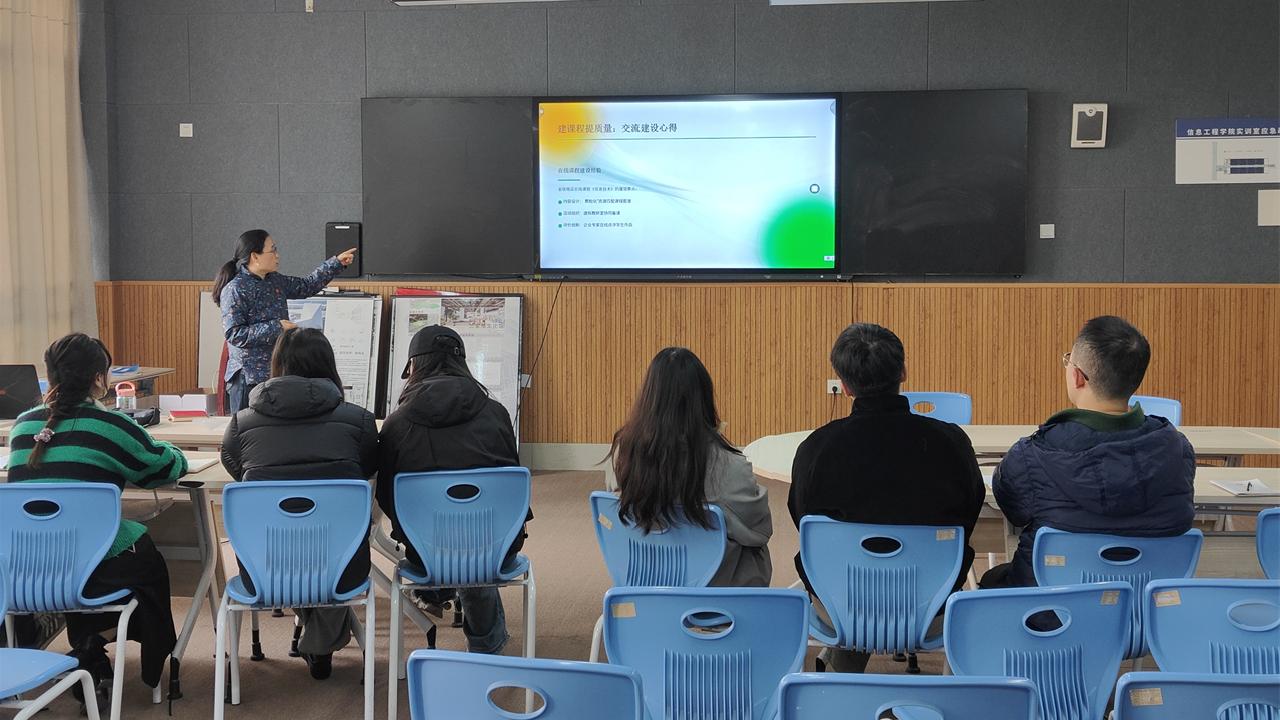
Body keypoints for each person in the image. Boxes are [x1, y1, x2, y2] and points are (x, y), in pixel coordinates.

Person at [788, 323, 985, 673]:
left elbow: (802, 519)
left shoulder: (816, 449)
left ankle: (840, 674)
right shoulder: (951, 443)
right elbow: (969, 515)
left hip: (841, 605)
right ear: (903, 372)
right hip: (931, 607)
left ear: (844, 386)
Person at [5, 333, 187, 699]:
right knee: (144, 560)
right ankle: (99, 641)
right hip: (93, 569)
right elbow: (163, 469)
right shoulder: (111, 425)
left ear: (50, 375)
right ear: (99, 378)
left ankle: (86, 642)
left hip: (29, 569)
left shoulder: (22, 426)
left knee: (99, 547)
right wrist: (171, 448)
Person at [981, 316, 1195, 589]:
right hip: (1144, 604)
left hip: (1050, 606)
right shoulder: (1178, 449)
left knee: (993, 581)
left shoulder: (1032, 455)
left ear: (1077, 376)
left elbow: (1014, 511)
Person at [219, 328, 377, 680]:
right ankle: (319, 642)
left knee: (296, 548)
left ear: (277, 365)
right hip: (342, 564)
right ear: (329, 365)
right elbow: (365, 470)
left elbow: (236, 470)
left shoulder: (241, 424)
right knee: (334, 543)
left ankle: (316, 636)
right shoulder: (360, 421)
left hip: (266, 567)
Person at [377, 325, 529, 654]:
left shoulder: (396, 424)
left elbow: (387, 498)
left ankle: (437, 590)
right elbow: (512, 489)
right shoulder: (497, 414)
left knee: (454, 540)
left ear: (413, 366)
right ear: (462, 363)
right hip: (495, 546)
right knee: (479, 538)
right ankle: (486, 643)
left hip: (426, 551)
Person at [606, 347, 771, 587]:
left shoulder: (622, 455)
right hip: (717, 599)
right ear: (703, 399)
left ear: (648, 397)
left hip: (648, 588)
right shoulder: (729, 467)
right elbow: (760, 531)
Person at [212, 229, 357, 415]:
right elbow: (235, 334)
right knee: (248, 428)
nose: (277, 255)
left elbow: (306, 286)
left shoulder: (275, 281)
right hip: (248, 379)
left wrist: (336, 263)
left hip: (277, 374)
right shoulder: (235, 289)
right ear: (255, 256)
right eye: (272, 250)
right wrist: (277, 327)